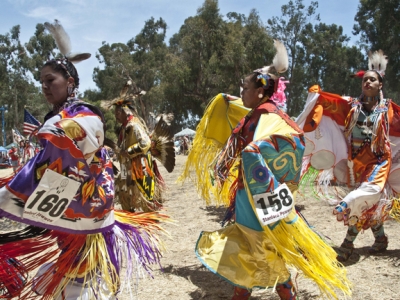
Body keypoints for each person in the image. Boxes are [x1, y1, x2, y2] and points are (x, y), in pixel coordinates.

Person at [0, 20, 168, 299]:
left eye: (50, 80)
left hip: (88, 202)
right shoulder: (58, 114)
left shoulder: (81, 111)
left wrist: (56, 129)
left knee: (81, 270)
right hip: (69, 201)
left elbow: (88, 129)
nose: (44, 86)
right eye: (41, 81)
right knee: (73, 263)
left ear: (71, 82)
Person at [181, 41, 351, 299]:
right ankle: (256, 290)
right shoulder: (257, 115)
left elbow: (289, 145)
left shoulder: (272, 119)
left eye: (246, 88)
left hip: (259, 199)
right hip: (251, 197)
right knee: (254, 247)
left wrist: (254, 159)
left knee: (259, 247)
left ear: (260, 92)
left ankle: (269, 290)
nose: (242, 92)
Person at [296, 50, 399, 262]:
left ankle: (347, 245)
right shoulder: (351, 107)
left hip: (380, 162)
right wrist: (316, 95)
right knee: (367, 203)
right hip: (357, 164)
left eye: (372, 80)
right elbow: (326, 103)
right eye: (365, 80)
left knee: (357, 199)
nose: (367, 82)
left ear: (380, 85)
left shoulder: (389, 110)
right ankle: (380, 240)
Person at [104, 80, 175, 212]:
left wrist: (128, 152)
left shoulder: (134, 125)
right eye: (115, 113)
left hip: (139, 167)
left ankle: (149, 217)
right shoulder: (124, 127)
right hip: (127, 167)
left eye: (118, 113)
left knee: (145, 197)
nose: (116, 116)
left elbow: (145, 143)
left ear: (125, 111)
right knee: (124, 193)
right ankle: (131, 217)